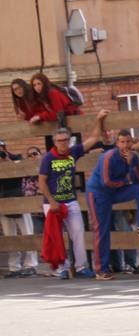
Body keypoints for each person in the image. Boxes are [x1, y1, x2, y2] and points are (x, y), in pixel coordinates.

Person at [36, 113, 109, 279]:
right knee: (56, 236)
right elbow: (42, 182)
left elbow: (93, 138)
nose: (63, 143)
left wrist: (99, 120)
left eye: (65, 140)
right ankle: (62, 268)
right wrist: (52, 202)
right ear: (54, 142)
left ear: (69, 140)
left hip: (70, 200)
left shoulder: (73, 152)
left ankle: (82, 266)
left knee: (78, 233)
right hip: (52, 203)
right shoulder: (48, 158)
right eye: (60, 141)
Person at [85, 128, 139, 279]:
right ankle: (101, 270)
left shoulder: (133, 157)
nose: (125, 145)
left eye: (128, 142)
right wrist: (126, 180)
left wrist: (131, 165)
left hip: (116, 190)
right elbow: (106, 182)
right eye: (122, 142)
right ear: (117, 143)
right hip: (98, 193)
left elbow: (137, 180)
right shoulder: (108, 157)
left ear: (132, 143)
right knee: (102, 230)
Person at [1, 141, 38, 277]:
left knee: (28, 233)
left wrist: (7, 160)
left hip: (21, 201)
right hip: (4, 202)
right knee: (9, 236)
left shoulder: (17, 158)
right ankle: (14, 267)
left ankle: (31, 265)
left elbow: (22, 172)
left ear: (5, 148)